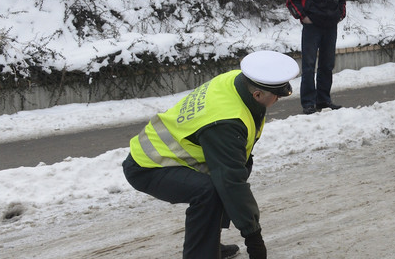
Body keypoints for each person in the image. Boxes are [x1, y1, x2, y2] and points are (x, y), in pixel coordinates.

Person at [122, 50, 299, 259]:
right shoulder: (226, 122)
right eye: (277, 96)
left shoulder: (237, 80)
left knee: (233, 171)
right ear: (257, 95)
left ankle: (209, 244)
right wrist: (254, 241)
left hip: (172, 153)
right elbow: (231, 182)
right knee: (211, 191)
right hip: (149, 165)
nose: (278, 99)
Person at [285, 0, 347, 114]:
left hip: (330, 28)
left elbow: (342, 0)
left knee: (327, 65)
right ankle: (308, 103)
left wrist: (340, 15)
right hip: (312, 28)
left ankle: (324, 100)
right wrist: (303, 17)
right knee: (309, 65)